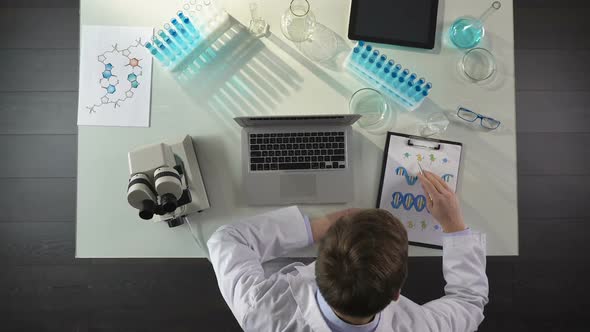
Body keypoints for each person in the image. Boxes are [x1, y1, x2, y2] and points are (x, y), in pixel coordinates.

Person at [207, 171, 488, 331]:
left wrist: (319, 225)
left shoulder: (262, 309)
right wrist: (454, 226)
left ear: (316, 269)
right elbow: (469, 302)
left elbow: (226, 240)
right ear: (396, 293)